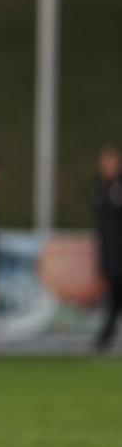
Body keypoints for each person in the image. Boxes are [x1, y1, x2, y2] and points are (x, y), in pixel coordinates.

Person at [91, 145, 122, 352]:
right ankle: (105, 336)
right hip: (108, 251)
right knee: (114, 293)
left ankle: (105, 336)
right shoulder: (98, 187)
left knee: (116, 294)